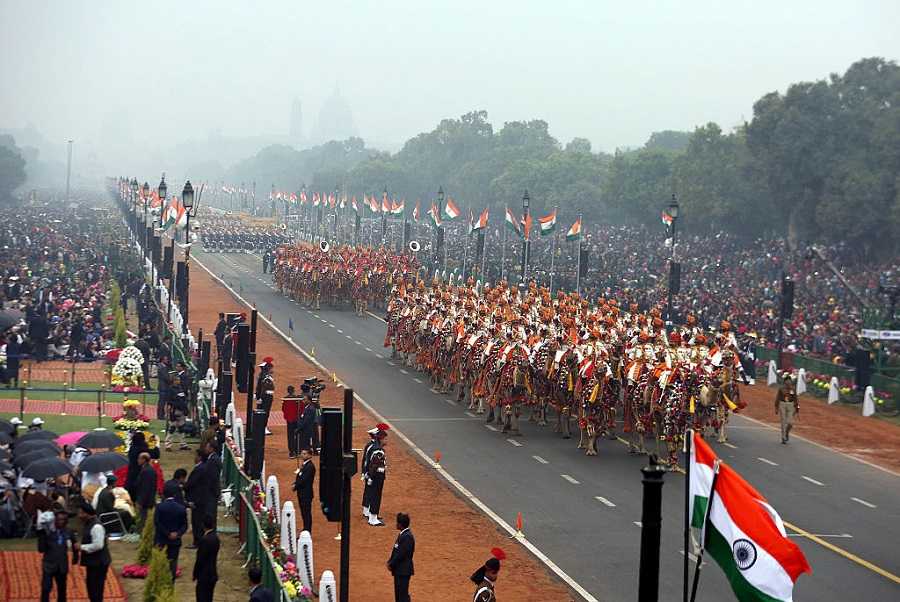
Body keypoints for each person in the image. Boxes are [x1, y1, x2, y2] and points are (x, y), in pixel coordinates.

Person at [38, 510, 77, 602]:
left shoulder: (69, 532)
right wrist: (42, 535)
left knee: (62, 589)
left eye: (63, 520)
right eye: (59, 519)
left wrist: (75, 557)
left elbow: (75, 545)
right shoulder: (48, 531)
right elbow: (41, 549)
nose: (61, 522)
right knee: (46, 588)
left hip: (62, 566)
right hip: (49, 565)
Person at [76, 502, 110, 602]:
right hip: (93, 562)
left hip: (99, 563)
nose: (79, 516)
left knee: (96, 589)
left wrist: (81, 547)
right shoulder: (89, 524)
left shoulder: (96, 527)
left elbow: (98, 545)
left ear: (87, 514)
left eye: (81, 513)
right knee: (91, 587)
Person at [154, 481, 188, 581]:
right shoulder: (181, 508)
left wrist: (167, 533)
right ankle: (171, 583)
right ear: (174, 494)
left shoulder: (160, 507)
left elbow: (157, 523)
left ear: (164, 494)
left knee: (160, 562)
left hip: (162, 539)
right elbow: (185, 525)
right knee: (173, 562)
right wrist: (177, 534)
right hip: (175, 541)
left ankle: (160, 581)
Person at [387, 512, 415, 602]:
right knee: (399, 595)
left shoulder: (407, 537)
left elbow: (400, 554)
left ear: (400, 525)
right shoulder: (403, 535)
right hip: (399, 570)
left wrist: (391, 564)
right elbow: (396, 550)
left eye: (397, 523)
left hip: (403, 571)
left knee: (402, 596)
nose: (396, 524)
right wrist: (390, 561)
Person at [365, 424, 389, 527]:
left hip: (374, 477)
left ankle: (372, 516)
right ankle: (373, 519)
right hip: (377, 477)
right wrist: (371, 477)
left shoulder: (376, 448)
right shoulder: (378, 450)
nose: (386, 441)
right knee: (376, 496)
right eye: (385, 439)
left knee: (374, 496)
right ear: (381, 439)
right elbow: (374, 465)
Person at [192, 514, 220, 602]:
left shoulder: (204, 540)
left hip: (204, 575)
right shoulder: (216, 538)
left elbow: (200, 559)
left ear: (203, 525)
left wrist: (195, 573)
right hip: (212, 573)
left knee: (202, 597)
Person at [125, 432, 159, 501]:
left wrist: (149, 441)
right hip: (140, 476)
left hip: (131, 475)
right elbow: (156, 454)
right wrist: (157, 442)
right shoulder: (142, 449)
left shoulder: (133, 447)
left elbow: (144, 446)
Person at [292, 448, 315, 533]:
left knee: (306, 513)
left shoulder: (310, 467)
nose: (302, 455)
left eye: (305, 454)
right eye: (302, 453)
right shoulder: (305, 465)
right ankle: (305, 529)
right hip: (302, 493)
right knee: (303, 513)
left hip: (306, 494)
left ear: (310, 455)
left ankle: (307, 530)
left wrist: (295, 486)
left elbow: (304, 480)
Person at [775, 374, 799, 444]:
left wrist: (797, 407)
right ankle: (783, 437)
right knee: (783, 421)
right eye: (787, 381)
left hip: (791, 405)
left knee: (790, 423)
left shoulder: (793, 389)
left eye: (790, 381)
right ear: (785, 382)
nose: (789, 382)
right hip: (782, 404)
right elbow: (777, 398)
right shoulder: (781, 389)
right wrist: (776, 408)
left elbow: (796, 399)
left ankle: (786, 433)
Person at [135, 452, 157, 524]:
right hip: (147, 500)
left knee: (143, 520)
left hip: (145, 502)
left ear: (144, 460)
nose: (137, 460)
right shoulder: (147, 469)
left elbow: (145, 488)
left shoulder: (146, 471)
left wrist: (141, 502)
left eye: (139, 458)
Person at [282, 386, 301, 458]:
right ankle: (297, 451)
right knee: (297, 435)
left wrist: (287, 416)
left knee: (290, 436)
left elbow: (283, 409)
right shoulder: (297, 399)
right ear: (293, 391)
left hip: (289, 420)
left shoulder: (285, 399)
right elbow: (299, 408)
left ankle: (291, 452)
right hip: (296, 419)